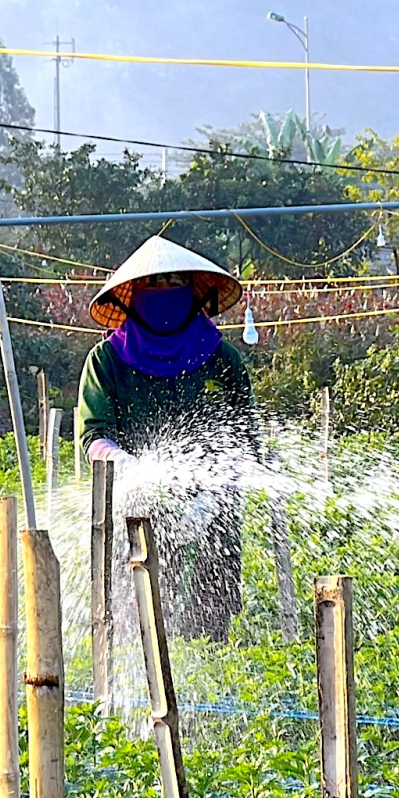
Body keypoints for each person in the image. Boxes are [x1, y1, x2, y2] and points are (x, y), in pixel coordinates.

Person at [75, 235, 261, 642]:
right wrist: (132, 467)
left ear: (195, 294)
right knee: (135, 617)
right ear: (133, 296)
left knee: (209, 621)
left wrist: (213, 498)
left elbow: (247, 440)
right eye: (153, 285)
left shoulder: (221, 359)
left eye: (174, 282)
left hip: (212, 515)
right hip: (133, 512)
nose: (164, 293)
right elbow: (94, 435)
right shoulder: (106, 361)